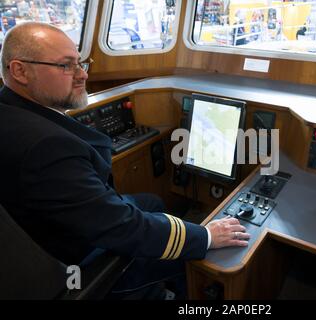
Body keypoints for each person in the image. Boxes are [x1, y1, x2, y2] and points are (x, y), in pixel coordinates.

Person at [0, 22, 250, 299]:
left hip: (43, 236)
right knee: (197, 259)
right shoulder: (45, 147)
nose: (82, 74)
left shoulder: (13, 112)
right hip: (77, 261)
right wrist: (205, 237)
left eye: (81, 63)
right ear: (20, 71)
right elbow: (121, 226)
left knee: (152, 203)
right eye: (66, 66)